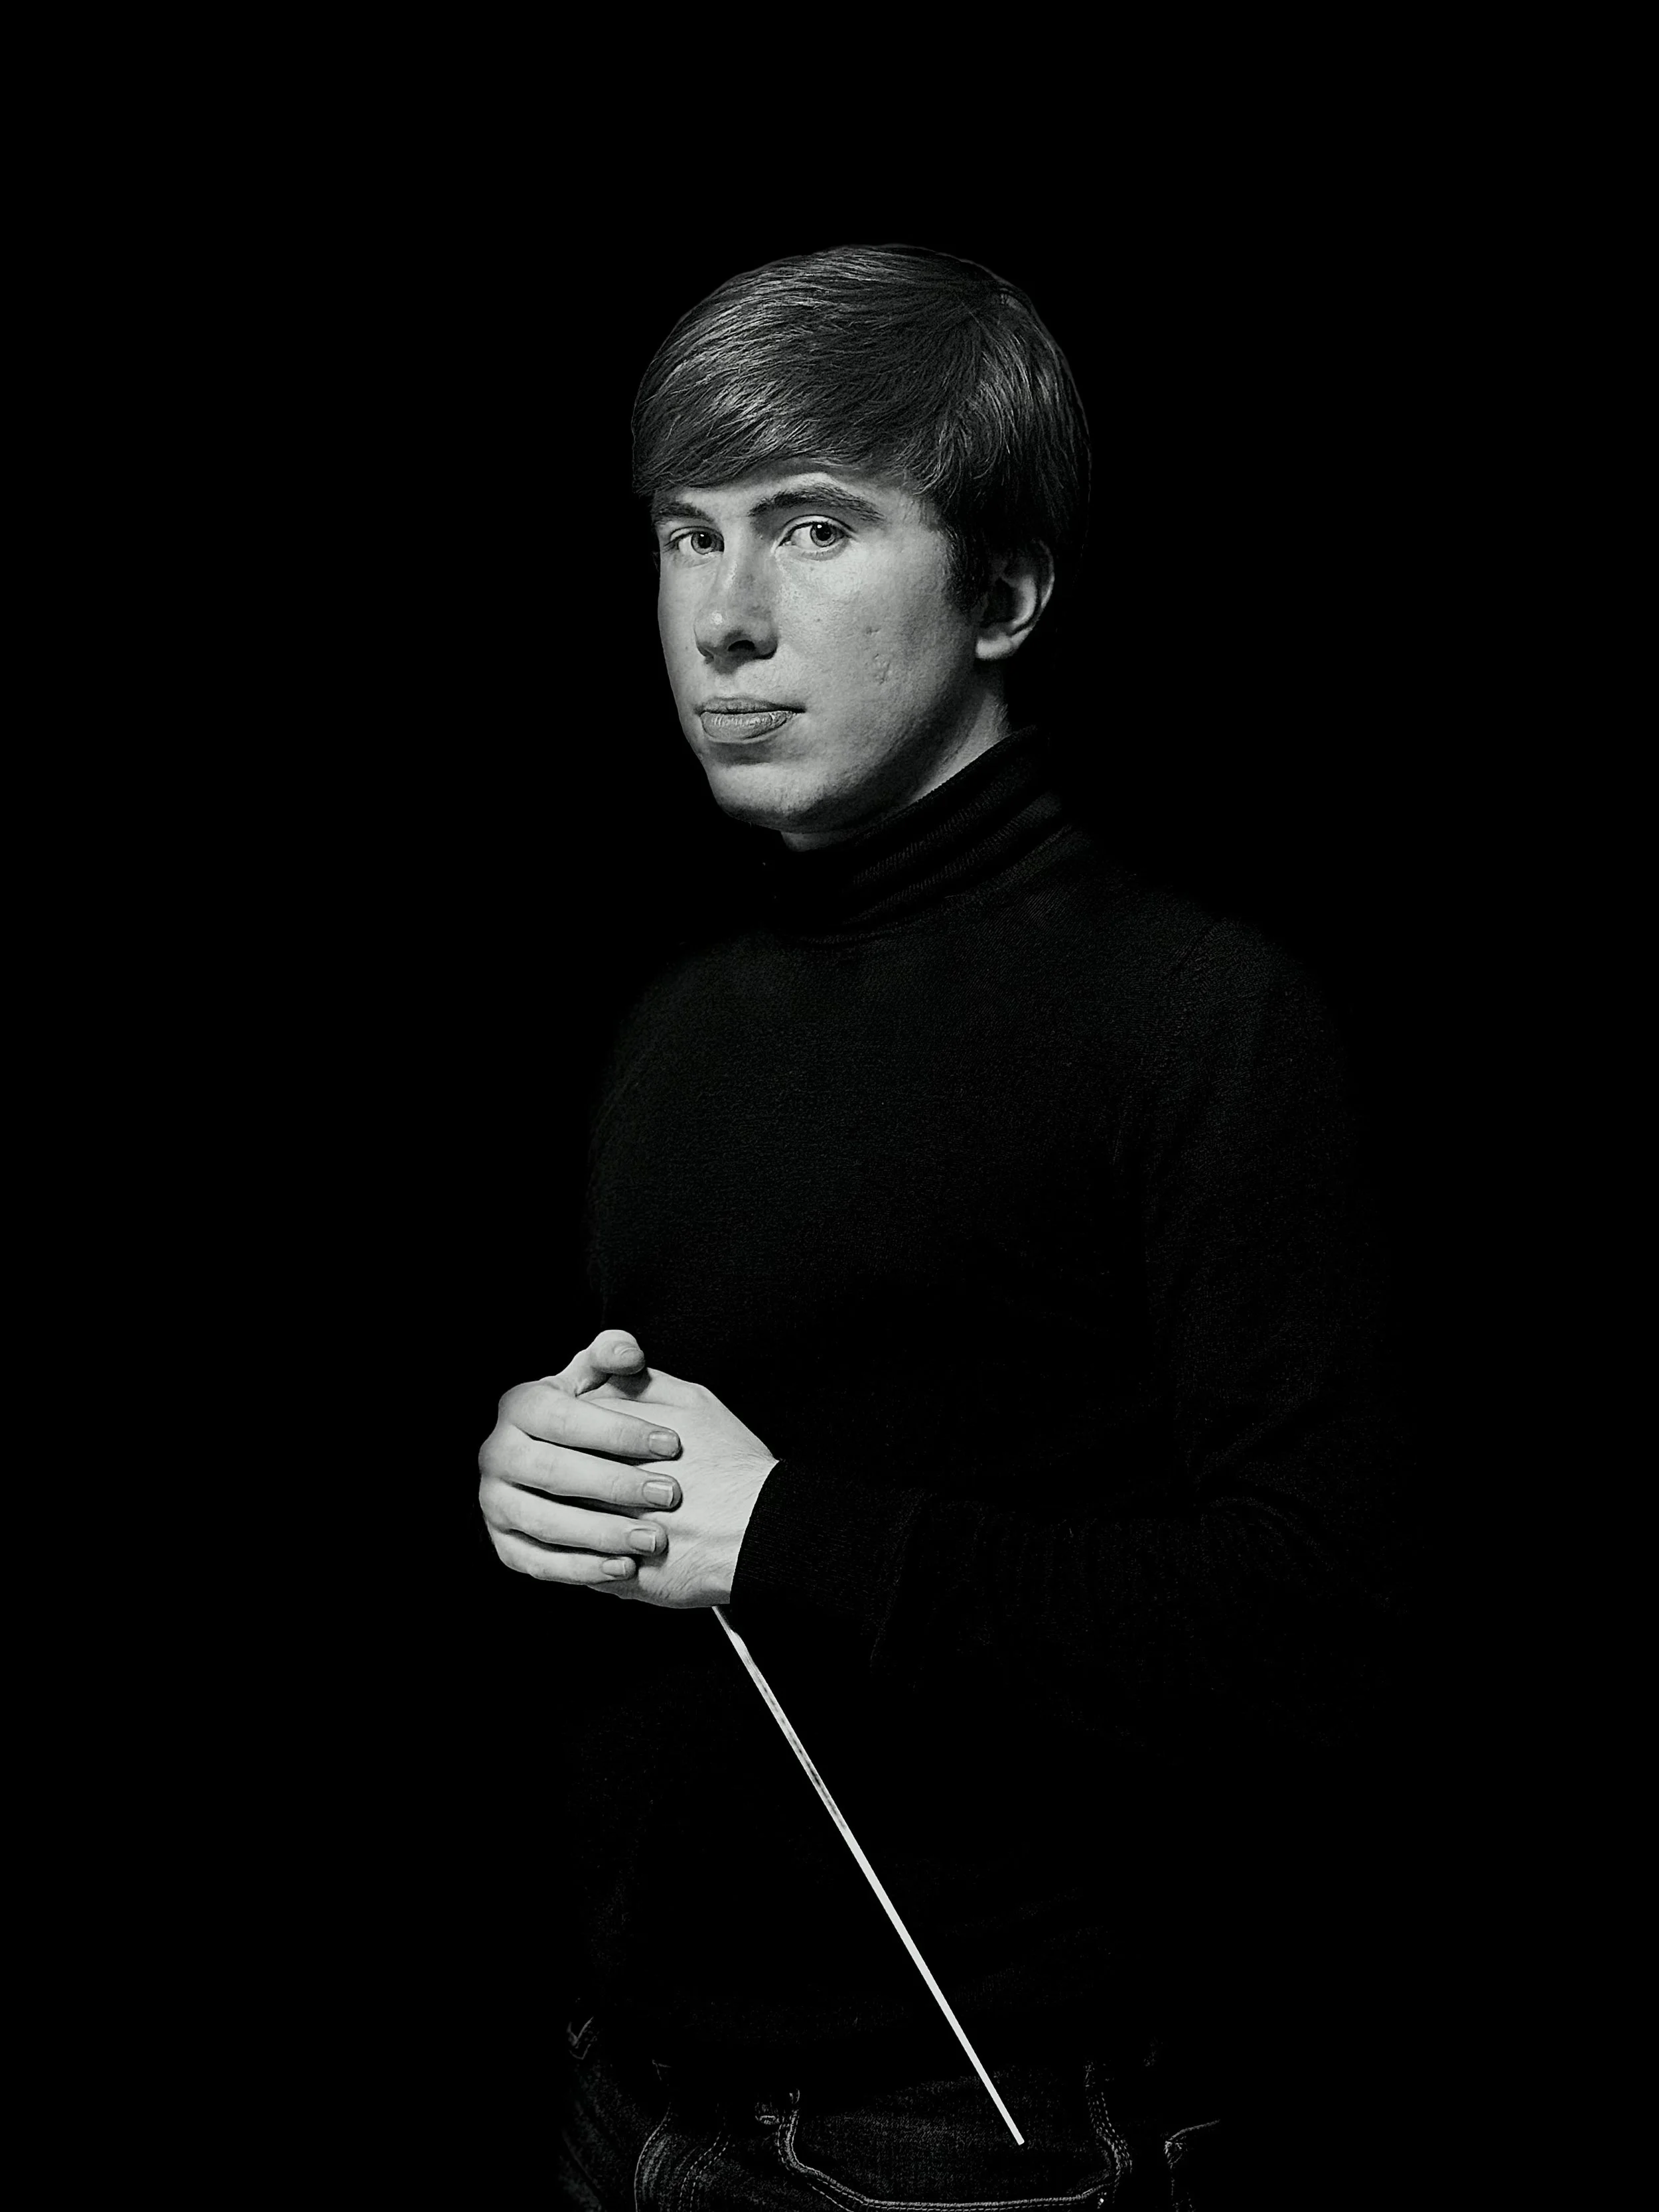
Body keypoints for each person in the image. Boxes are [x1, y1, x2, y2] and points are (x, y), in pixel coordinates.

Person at [476, 244, 1405, 2207]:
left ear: (1005, 588)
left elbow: (1324, 1632)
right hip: (624, 2103)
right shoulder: (676, 1018)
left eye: (814, 527)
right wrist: (552, 1479)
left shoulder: (1197, 1015)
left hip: (963, 2142)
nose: (724, 621)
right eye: (683, 534)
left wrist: (785, 1527)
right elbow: (682, 1512)